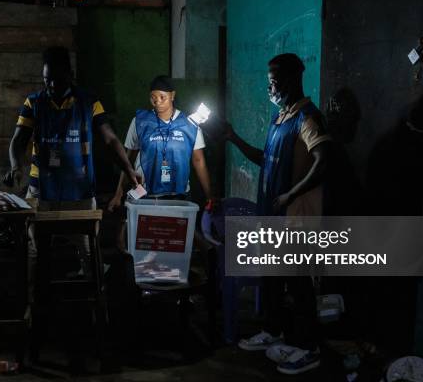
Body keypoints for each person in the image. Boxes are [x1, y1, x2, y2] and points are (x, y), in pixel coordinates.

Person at [3, 46, 140, 302]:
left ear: (71, 74)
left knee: (88, 249)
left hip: (79, 191)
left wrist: (129, 169)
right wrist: (14, 166)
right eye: (46, 80)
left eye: (57, 79)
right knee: (37, 250)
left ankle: (95, 300)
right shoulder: (34, 102)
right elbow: (18, 141)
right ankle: (37, 301)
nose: (52, 85)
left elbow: (109, 140)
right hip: (42, 190)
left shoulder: (89, 102)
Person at [224, 53, 330, 375]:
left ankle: (309, 349)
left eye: (275, 80)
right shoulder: (280, 118)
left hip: (295, 219)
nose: (270, 86)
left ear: (294, 79)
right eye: (269, 80)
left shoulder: (307, 118)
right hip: (272, 218)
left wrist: (290, 193)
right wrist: (233, 138)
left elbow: (324, 160)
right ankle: (275, 332)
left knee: (298, 286)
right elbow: (266, 158)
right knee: (272, 280)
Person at [108, 75, 213, 209]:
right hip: (146, 197)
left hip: (179, 197)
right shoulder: (140, 122)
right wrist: (118, 194)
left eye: (162, 97)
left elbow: (198, 161)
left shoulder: (189, 124)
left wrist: (209, 195)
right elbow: (128, 161)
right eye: (153, 97)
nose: (157, 101)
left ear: (172, 96)